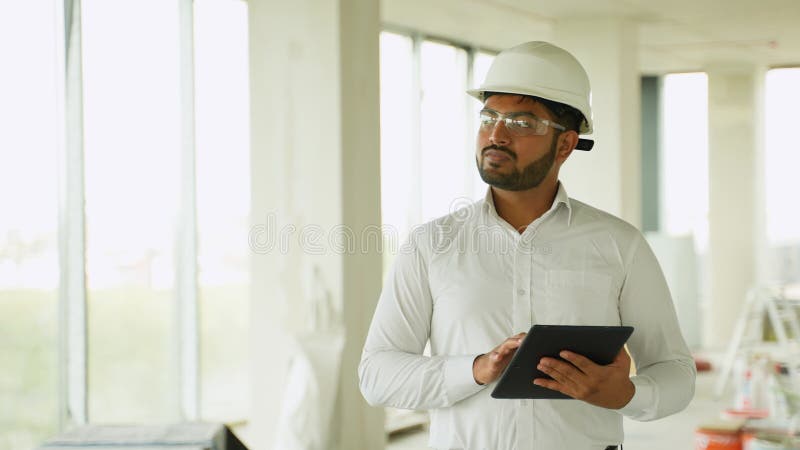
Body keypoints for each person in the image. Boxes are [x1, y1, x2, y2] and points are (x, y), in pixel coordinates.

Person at [358, 41, 696, 450]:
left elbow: (676, 372)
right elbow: (377, 375)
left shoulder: (619, 245)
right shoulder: (432, 246)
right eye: (489, 117)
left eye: (521, 123)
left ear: (566, 144)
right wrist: (478, 369)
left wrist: (626, 394)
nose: (496, 134)